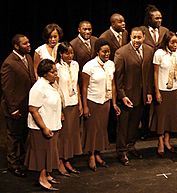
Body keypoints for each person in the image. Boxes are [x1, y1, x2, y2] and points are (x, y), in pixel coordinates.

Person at [114, 27, 154, 165]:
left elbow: (148, 75)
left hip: (141, 95)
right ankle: (121, 151)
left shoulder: (149, 50)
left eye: (139, 37)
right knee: (123, 126)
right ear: (130, 37)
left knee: (134, 125)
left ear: (144, 37)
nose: (136, 40)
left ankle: (131, 146)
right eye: (134, 37)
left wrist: (148, 92)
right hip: (127, 96)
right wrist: (122, 96)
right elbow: (118, 79)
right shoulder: (121, 53)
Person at [81, 39, 120, 171]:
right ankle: (91, 155)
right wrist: (85, 106)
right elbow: (84, 88)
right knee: (92, 130)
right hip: (93, 101)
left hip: (105, 102)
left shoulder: (111, 64)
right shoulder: (89, 66)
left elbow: (113, 85)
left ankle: (98, 153)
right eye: (104, 51)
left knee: (102, 129)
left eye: (108, 51)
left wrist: (114, 103)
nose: (106, 54)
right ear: (97, 52)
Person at [0, 34, 36, 177]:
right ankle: (13, 164)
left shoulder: (27, 57)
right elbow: (7, 89)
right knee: (14, 137)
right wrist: (13, 109)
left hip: (26, 105)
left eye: (28, 42)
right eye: (25, 43)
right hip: (15, 107)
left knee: (23, 136)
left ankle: (22, 160)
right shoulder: (9, 63)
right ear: (16, 46)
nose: (29, 45)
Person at [25, 59, 62, 191]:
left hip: (53, 123)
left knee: (50, 151)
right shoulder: (38, 87)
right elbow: (33, 109)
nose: (55, 74)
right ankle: (42, 177)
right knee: (42, 153)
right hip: (42, 127)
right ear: (45, 73)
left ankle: (47, 173)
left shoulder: (50, 84)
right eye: (53, 72)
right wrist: (44, 128)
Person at [151, 31, 177, 157]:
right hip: (162, 89)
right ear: (167, 42)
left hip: (174, 89)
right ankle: (160, 141)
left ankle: (167, 139)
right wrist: (157, 91)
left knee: (170, 115)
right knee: (161, 116)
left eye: (176, 42)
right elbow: (155, 73)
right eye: (172, 42)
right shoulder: (159, 54)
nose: (175, 45)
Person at [139, 4, 169, 140]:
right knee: (146, 101)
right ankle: (144, 129)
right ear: (149, 19)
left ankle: (159, 129)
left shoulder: (165, 31)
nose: (159, 20)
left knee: (160, 101)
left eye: (160, 18)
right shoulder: (141, 30)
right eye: (156, 18)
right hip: (145, 70)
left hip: (161, 71)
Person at [99, 13, 128, 143]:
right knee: (111, 104)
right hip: (109, 72)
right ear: (113, 24)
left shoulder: (125, 33)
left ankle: (120, 131)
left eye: (123, 21)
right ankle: (110, 134)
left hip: (122, 72)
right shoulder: (105, 37)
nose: (123, 24)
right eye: (120, 22)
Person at [55, 42, 83, 176]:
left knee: (71, 133)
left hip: (74, 102)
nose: (70, 55)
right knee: (63, 135)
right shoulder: (57, 67)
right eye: (67, 53)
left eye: (71, 52)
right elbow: (56, 89)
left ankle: (67, 159)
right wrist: (59, 109)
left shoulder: (76, 65)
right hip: (63, 104)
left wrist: (80, 104)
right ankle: (60, 160)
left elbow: (76, 84)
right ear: (61, 54)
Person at [70, 20, 98, 88]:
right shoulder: (73, 44)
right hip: (82, 81)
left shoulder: (96, 40)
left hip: (96, 79)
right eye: (85, 29)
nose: (87, 32)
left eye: (89, 29)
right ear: (79, 30)